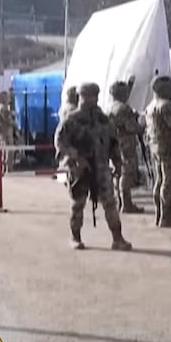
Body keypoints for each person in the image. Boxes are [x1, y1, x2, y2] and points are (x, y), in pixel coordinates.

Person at [54, 82, 133, 252]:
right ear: (81, 97)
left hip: (102, 167)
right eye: (88, 96)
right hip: (80, 169)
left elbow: (113, 141)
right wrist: (75, 156)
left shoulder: (103, 119)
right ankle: (75, 237)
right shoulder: (72, 119)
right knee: (78, 204)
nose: (92, 100)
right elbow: (60, 142)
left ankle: (117, 238)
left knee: (110, 203)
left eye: (95, 96)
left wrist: (117, 162)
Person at [144, 75, 171, 229]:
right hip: (168, 147)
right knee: (168, 181)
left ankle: (159, 214)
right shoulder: (166, 106)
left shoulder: (150, 106)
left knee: (159, 180)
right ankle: (166, 216)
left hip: (155, 147)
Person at [106, 80, 145, 215]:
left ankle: (121, 201)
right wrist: (141, 125)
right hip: (126, 143)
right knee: (127, 172)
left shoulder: (111, 107)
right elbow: (131, 127)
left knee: (118, 172)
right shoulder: (123, 109)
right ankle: (126, 203)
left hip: (115, 143)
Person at [0, 92, 20, 167]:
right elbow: (9, 120)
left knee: (3, 149)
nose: (9, 99)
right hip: (6, 131)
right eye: (7, 97)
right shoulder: (3, 109)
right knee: (10, 149)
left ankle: (3, 165)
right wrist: (16, 125)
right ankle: (9, 166)